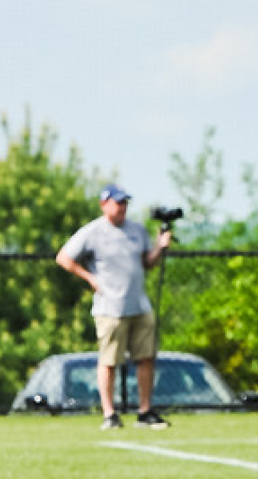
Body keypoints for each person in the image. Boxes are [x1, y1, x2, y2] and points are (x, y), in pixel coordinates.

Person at [56, 183, 172, 430]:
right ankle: (110, 414)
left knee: (146, 357)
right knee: (109, 360)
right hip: (110, 307)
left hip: (139, 304)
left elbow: (146, 264)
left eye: (125, 203)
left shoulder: (137, 230)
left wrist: (160, 248)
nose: (122, 207)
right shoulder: (92, 232)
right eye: (118, 203)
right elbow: (63, 257)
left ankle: (144, 411)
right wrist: (90, 278)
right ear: (104, 204)